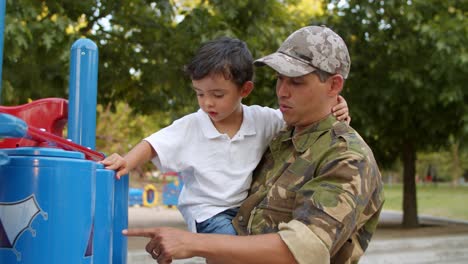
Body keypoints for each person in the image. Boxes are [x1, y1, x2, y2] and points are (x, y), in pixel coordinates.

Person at [123, 25, 384, 264]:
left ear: (334, 85)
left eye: (296, 81)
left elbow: (302, 250)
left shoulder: (347, 156)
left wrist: (194, 242)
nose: (282, 91)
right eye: (279, 78)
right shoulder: (281, 135)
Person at [101, 37, 350, 235]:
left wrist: (336, 104)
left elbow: (299, 118)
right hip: (207, 213)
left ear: (245, 89)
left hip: (242, 210)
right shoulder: (192, 125)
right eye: (199, 94)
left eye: (217, 95)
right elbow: (154, 143)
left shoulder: (262, 120)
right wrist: (127, 161)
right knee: (235, 252)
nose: (207, 103)